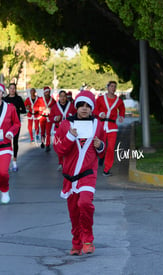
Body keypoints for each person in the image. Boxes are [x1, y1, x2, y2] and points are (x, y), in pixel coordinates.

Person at [53, 90, 105, 256]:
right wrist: (69, 137)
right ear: (76, 106)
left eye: (87, 106)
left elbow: (103, 151)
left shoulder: (98, 124)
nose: (84, 108)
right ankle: (76, 243)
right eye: (81, 105)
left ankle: (88, 240)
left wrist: (100, 146)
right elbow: (59, 149)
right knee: (74, 213)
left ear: (91, 108)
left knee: (85, 204)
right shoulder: (66, 124)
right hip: (69, 178)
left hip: (88, 174)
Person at [94, 81, 125, 176]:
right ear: (107, 87)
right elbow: (95, 109)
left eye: (115, 87)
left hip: (112, 127)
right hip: (101, 126)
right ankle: (101, 156)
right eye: (111, 86)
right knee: (100, 146)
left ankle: (106, 169)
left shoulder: (119, 101)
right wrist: (99, 114)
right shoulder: (100, 99)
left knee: (111, 148)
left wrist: (121, 116)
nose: (113, 88)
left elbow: (122, 109)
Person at [49, 90, 76, 170]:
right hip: (58, 129)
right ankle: (61, 163)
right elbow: (50, 118)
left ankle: (69, 163)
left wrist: (71, 118)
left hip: (69, 130)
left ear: (66, 97)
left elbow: (76, 116)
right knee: (59, 147)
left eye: (64, 96)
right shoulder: (54, 107)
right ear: (59, 97)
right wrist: (55, 118)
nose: (63, 98)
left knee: (69, 147)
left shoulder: (71, 106)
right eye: (61, 96)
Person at [3, 83, 26, 171]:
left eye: (14, 88)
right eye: (11, 88)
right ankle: (6, 161)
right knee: (7, 142)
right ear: (8, 89)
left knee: (15, 142)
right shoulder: (5, 99)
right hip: (7, 124)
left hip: (16, 123)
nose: (12, 90)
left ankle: (14, 162)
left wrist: (16, 109)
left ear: (15, 89)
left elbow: (23, 110)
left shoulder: (18, 99)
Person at [37, 86, 56, 152]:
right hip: (42, 117)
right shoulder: (40, 99)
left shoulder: (53, 100)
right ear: (44, 93)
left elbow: (55, 108)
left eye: (48, 92)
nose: (47, 93)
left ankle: (47, 145)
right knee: (42, 131)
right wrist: (40, 108)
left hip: (49, 118)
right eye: (46, 92)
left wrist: (51, 110)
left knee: (48, 132)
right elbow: (35, 107)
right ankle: (42, 142)